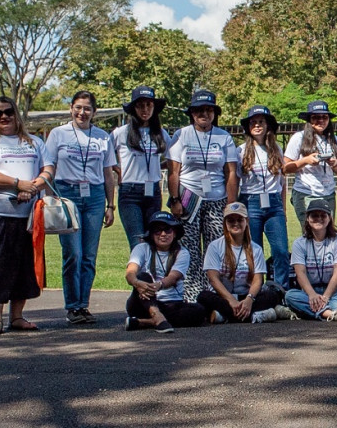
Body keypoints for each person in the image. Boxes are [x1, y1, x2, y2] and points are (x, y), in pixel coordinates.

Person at [42, 90, 118, 324]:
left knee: (89, 255)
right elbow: (49, 166)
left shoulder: (102, 137)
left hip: (94, 196)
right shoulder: (58, 134)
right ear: (71, 108)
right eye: (78, 107)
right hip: (67, 194)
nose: (82, 112)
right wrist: (49, 199)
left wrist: (110, 205)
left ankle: (83, 305)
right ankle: (72, 306)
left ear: (94, 112)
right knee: (73, 253)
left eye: (87, 108)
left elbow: (108, 172)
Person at [0, 96, 45, 335]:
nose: (4, 117)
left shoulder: (35, 142)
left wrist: (32, 186)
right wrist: (17, 184)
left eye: (8, 112)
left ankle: (17, 316)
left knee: (24, 265)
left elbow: (49, 169)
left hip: (29, 214)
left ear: (17, 114)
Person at [166, 89, 239, 303]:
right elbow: (174, 171)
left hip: (216, 199)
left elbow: (231, 172)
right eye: (199, 110)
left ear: (215, 113)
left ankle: (213, 294)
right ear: (192, 113)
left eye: (208, 110)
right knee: (189, 249)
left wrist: (231, 204)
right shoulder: (182, 134)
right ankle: (191, 296)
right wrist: (175, 200)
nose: (204, 114)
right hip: (189, 197)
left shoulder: (223, 137)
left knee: (215, 248)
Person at [199, 202, 284, 323]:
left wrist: (249, 300)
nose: (235, 223)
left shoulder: (256, 249)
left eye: (239, 220)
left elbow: (258, 279)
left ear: (247, 221)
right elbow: (213, 279)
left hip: (247, 296)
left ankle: (224, 316)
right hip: (224, 296)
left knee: (272, 295)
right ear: (225, 223)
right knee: (203, 297)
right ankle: (255, 316)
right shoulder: (215, 246)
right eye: (231, 220)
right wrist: (231, 301)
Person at [124, 211, 208, 333]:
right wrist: (137, 283)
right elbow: (130, 273)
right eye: (158, 230)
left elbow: (173, 277)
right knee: (143, 276)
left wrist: (158, 285)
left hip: (171, 303)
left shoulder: (182, 252)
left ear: (174, 233)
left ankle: (146, 322)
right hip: (143, 302)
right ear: (151, 234)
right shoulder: (142, 248)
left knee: (199, 311)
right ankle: (157, 316)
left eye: (167, 230)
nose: (163, 234)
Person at [111, 86, 172, 250]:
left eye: (149, 105)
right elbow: (106, 158)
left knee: (153, 240)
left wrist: (158, 167)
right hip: (130, 192)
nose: (145, 110)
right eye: (140, 105)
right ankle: (137, 275)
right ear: (133, 108)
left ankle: (151, 275)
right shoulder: (121, 133)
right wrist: (118, 170)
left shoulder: (161, 133)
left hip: (153, 191)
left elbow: (174, 159)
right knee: (138, 242)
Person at [237, 105, 289, 288]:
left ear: (268, 126)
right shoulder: (241, 151)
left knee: (281, 250)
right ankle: (254, 289)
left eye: (261, 122)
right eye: (253, 122)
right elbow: (236, 181)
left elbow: (283, 183)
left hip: (274, 203)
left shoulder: (276, 149)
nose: (257, 126)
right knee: (254, 250)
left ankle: (280, 289)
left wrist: (283, 208)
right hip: (251, 201)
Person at [284, 199, 337, 322]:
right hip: (310, 290)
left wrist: (326, 297)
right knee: (290, 296)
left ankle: (308, 311)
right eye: (314, 215)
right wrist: (311, 295)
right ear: (307, 218)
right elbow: (300, 274)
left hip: (336, 290)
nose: (319, 219)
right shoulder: (299, 243)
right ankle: (329, 314)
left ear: (330, 218)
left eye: (323, 215)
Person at [282, 100, 337, 225]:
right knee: (309, 233)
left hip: (328, 193)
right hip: (306, 193)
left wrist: (334, 164)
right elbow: (285, 168)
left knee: (328, 233)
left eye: (325, 117)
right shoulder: (299, 137)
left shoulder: (333, 138)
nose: (321, 120)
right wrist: (306, 161)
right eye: (316, 117)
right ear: (309, 120)